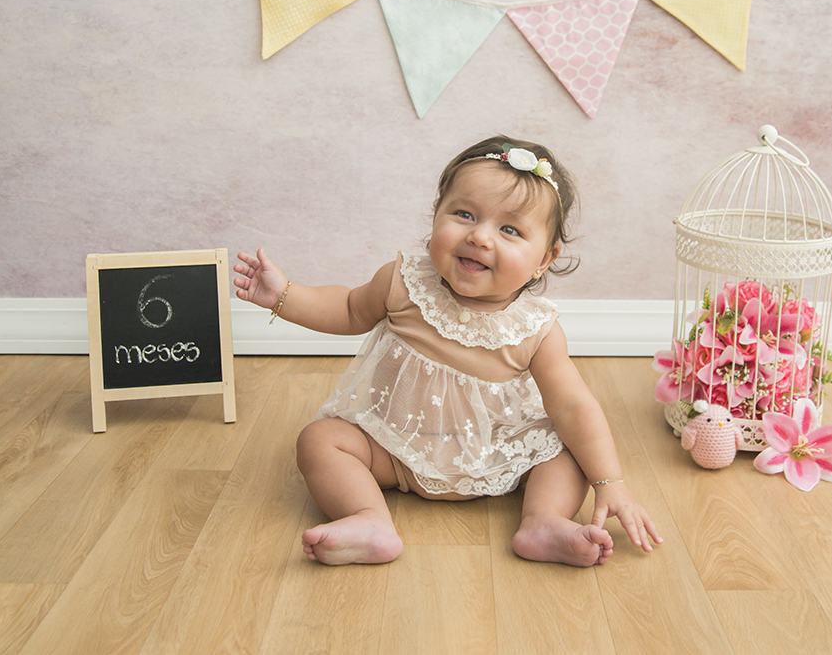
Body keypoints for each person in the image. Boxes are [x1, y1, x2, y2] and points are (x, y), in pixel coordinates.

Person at [233, 136, 662, 567]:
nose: (479, 236)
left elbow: (572, 407)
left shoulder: (536, 329)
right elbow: (346, 309)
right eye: (464, 214)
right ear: (436, 214)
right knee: (319, 441)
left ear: (544, 260)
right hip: (396, 449)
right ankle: (368, 519)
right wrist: (283, 296)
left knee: (568, 453)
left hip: (499, 453)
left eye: (509, 230)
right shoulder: (403, 283)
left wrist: (610, 482)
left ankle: (543, 521)